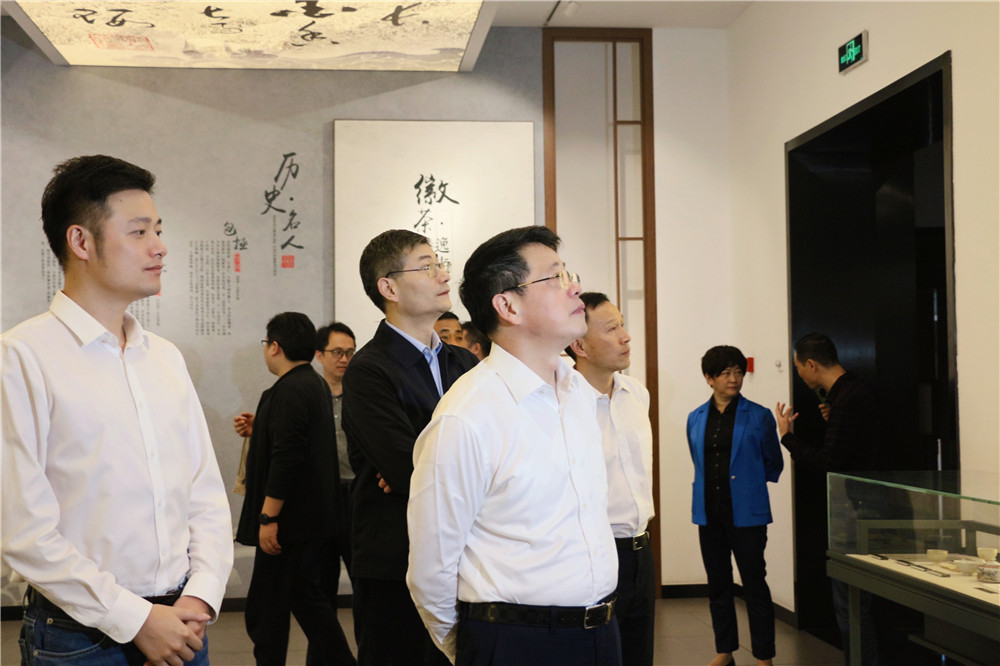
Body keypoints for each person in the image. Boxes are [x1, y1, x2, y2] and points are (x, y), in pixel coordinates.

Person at [1, 155, 234, 666]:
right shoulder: (22, 356)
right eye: (139, 231)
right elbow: (22, 532)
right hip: (80, 637)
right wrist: (137, 619)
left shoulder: (164, 357)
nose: (160, 246)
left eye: (158, 230)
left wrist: (200, 596)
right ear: (81, 241)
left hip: (184, 625)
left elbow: (204, 494)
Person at [407, 226, 620, 666]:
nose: (574, 288)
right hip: (515, 641)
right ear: (507, 306)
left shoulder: (579, 393)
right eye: (555, 278)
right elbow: (431, 567)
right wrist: (479, 647)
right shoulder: (466, 416)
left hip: (601, 632)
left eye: (569, 275)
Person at [343, 230, 478, 666]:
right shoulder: (369, 369)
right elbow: (405, 468)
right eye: (427, 266)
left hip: (466, 553)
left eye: (440, 264)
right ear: (389, 287)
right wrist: (426, 470)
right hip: (394, 557)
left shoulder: (464, 362)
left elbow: (496, 450)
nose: (443, 274)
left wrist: (427, 467)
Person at [235, 312, 355, 666]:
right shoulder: (311, 385)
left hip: (289, 523)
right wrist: (263, 426)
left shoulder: (290, 390)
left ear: (274, 346)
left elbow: (287, 458)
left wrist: (268, 517)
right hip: (308, 521)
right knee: (305, 601)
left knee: (268, 610)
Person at [775, 333, 882, 666]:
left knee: (850, 604)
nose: (798, 374)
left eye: (797, 367)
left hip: (858, 510)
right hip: (865, 505)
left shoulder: (847, 399)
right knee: (853, 602)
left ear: (811, 364)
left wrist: (787, 438)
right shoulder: (853, 392)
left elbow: (828, 461)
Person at [567, 292, 656, 666]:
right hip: (592, 551)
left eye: (623, 325)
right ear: (580, 345)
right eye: (611, 329)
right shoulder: (564, 403)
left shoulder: (636, 393)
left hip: (641, 550)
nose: (626, 336)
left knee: (639, 654)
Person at [687, 345, 782, 666]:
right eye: (726, 373)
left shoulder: (759, 415)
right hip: (709, 513)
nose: (734, 378)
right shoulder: (696, 418)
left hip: (748, 513)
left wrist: (748, 483)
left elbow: (773, 463)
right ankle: (724, 651)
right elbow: (698, 460)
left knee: (754, 584)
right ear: (709, 378)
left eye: (739, 372)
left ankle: (764, 656)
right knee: (718, 585)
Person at [315, 321, 358, 577]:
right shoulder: (310, 396)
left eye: (350, 352)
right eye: (337, 352)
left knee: (360, 571)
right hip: (322, 497)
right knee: (321, 575)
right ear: (319, 355)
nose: (344, 359)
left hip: (356, 493)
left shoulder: (363, 395)